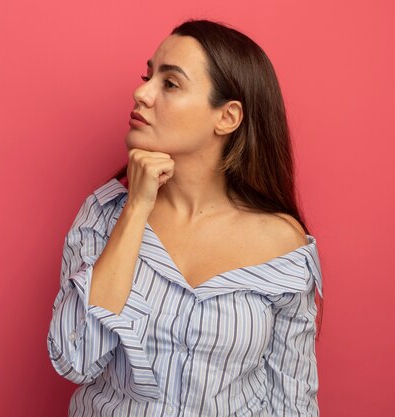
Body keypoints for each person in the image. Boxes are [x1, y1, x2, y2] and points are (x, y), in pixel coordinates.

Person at [47, 18, 324, 417]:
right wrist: (136, 209)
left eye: (170, 83)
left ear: (226, 117)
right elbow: (74, 358)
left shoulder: (282, 245)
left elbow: (292, 402)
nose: (141, 93)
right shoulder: (103, 217)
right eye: (148, 76)